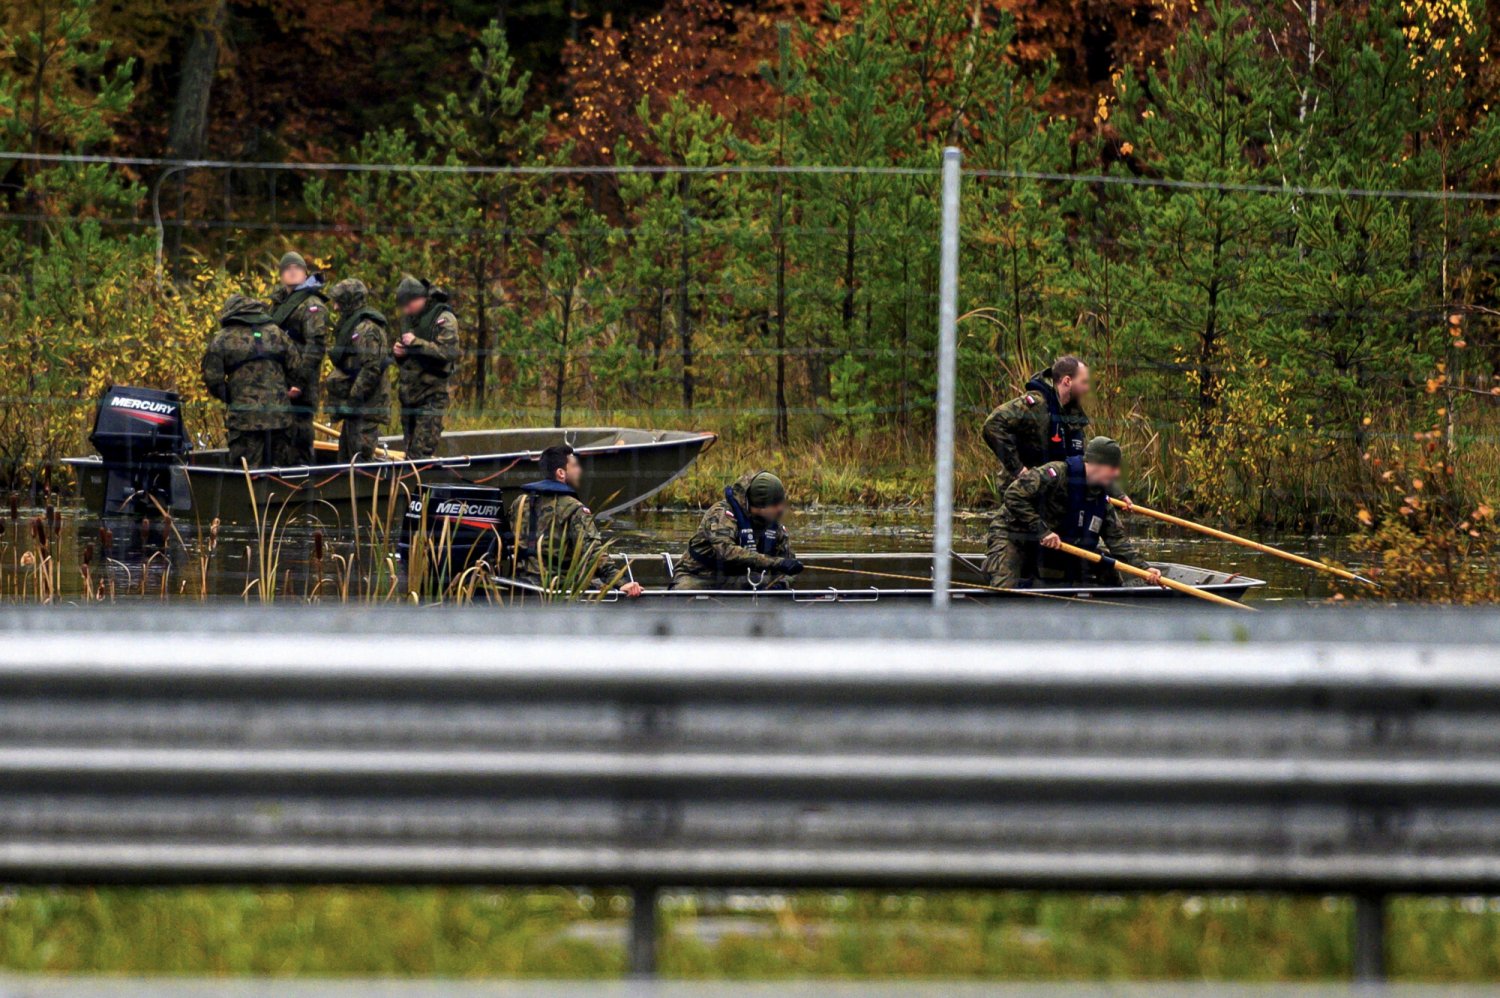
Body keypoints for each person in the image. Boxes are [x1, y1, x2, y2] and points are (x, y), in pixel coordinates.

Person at [983, 436, 1164, 590]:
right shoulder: (1055, 474)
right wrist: (1042, 530)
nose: (1117, 474)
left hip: (1054, 545)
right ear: (1096, 464)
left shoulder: (1100, 498)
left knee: (1106, 566)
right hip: (1013, 535)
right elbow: (1013, 495)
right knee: (1005, 585)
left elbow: (1117, 541)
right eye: (1112, 468)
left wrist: (1143, 568)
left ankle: (1109, 605)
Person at [509, 444, 643, 597]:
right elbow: (593, 552)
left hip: (520, 584)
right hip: (558, 587)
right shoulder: (574, 508)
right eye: (574, 466)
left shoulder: (519, 503)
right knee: (599, 585)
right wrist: (620, 582)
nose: (579, 470)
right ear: (561, 473)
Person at [201, 294, 301, 469]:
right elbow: (296, 368)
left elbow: (213, 378)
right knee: (280, 475)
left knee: (247, 475)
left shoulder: (222, 338)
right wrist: (283, 393)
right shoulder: (277, 333)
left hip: (245, 420)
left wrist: (232, 398)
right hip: (280, 418)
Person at [670, 471, 803, 591]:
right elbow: (726, 552)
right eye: (774, 505)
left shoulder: (775, 526)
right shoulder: (721, 514)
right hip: (699, 576)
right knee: (684, 591)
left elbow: (788, 565)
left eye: (781, 503)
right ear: (759, 506)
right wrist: (775, 562)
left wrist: (780, 584)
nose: (781, 509)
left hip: (739, 579)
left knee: (765, 585)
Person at [267, 251, 328, 463]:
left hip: (300, 384)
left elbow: (316, 346)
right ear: (281, 275)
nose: (292, 272)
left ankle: (303, 478)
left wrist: (299, 382)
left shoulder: (312, 304)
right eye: (287, 268)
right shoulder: (277, 304)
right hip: (277, 382)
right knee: (280, 440)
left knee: (299, 438)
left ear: (305, 273)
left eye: (297, 268)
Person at [391, 275, 460, 459]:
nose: (406, 310)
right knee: (409, 451)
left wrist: (416, 344)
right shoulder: (411, 319)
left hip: (431, 395)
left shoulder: (443, 318)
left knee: (420, 453)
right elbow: (408, 354)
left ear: (420, 298)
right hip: (409, 396)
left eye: (408, 305)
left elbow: (448, 352)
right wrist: (398, 352)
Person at [323, 279, 391, 463]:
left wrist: (352, 399)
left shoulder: (367, 329)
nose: (335, 307)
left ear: (350, 302)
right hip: (354, 409)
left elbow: (371, 369)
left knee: (359, 460)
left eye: (339, 302)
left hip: (365, 408)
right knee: (346, 459)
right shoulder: (352, 326)